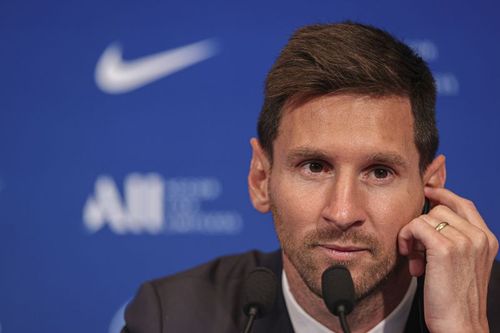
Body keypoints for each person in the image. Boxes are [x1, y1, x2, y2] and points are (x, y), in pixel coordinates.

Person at [121, 22, 500, 333]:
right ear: (260, 178)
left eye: (380, 172)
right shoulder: (173, 317)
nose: (343, 211)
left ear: (430, 188)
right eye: (314, 167)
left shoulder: (487, 313)